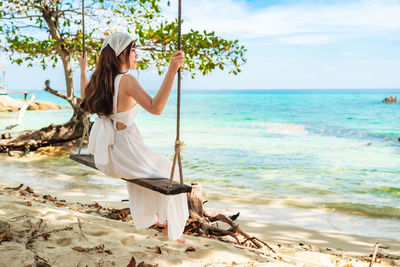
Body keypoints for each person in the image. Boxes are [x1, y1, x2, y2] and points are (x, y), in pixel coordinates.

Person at [79, 32, 189, 243]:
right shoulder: (126, 80)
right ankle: (171, 227)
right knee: (168, 173)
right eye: (133, 50)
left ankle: (158, 218)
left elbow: (84, 97)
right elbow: (156, 108)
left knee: (158, 168)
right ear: (121, 54)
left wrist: (83, 70)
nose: (136, 55)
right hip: (124, 151)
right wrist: (172, 71)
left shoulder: (102, 80)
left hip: (109, 154)